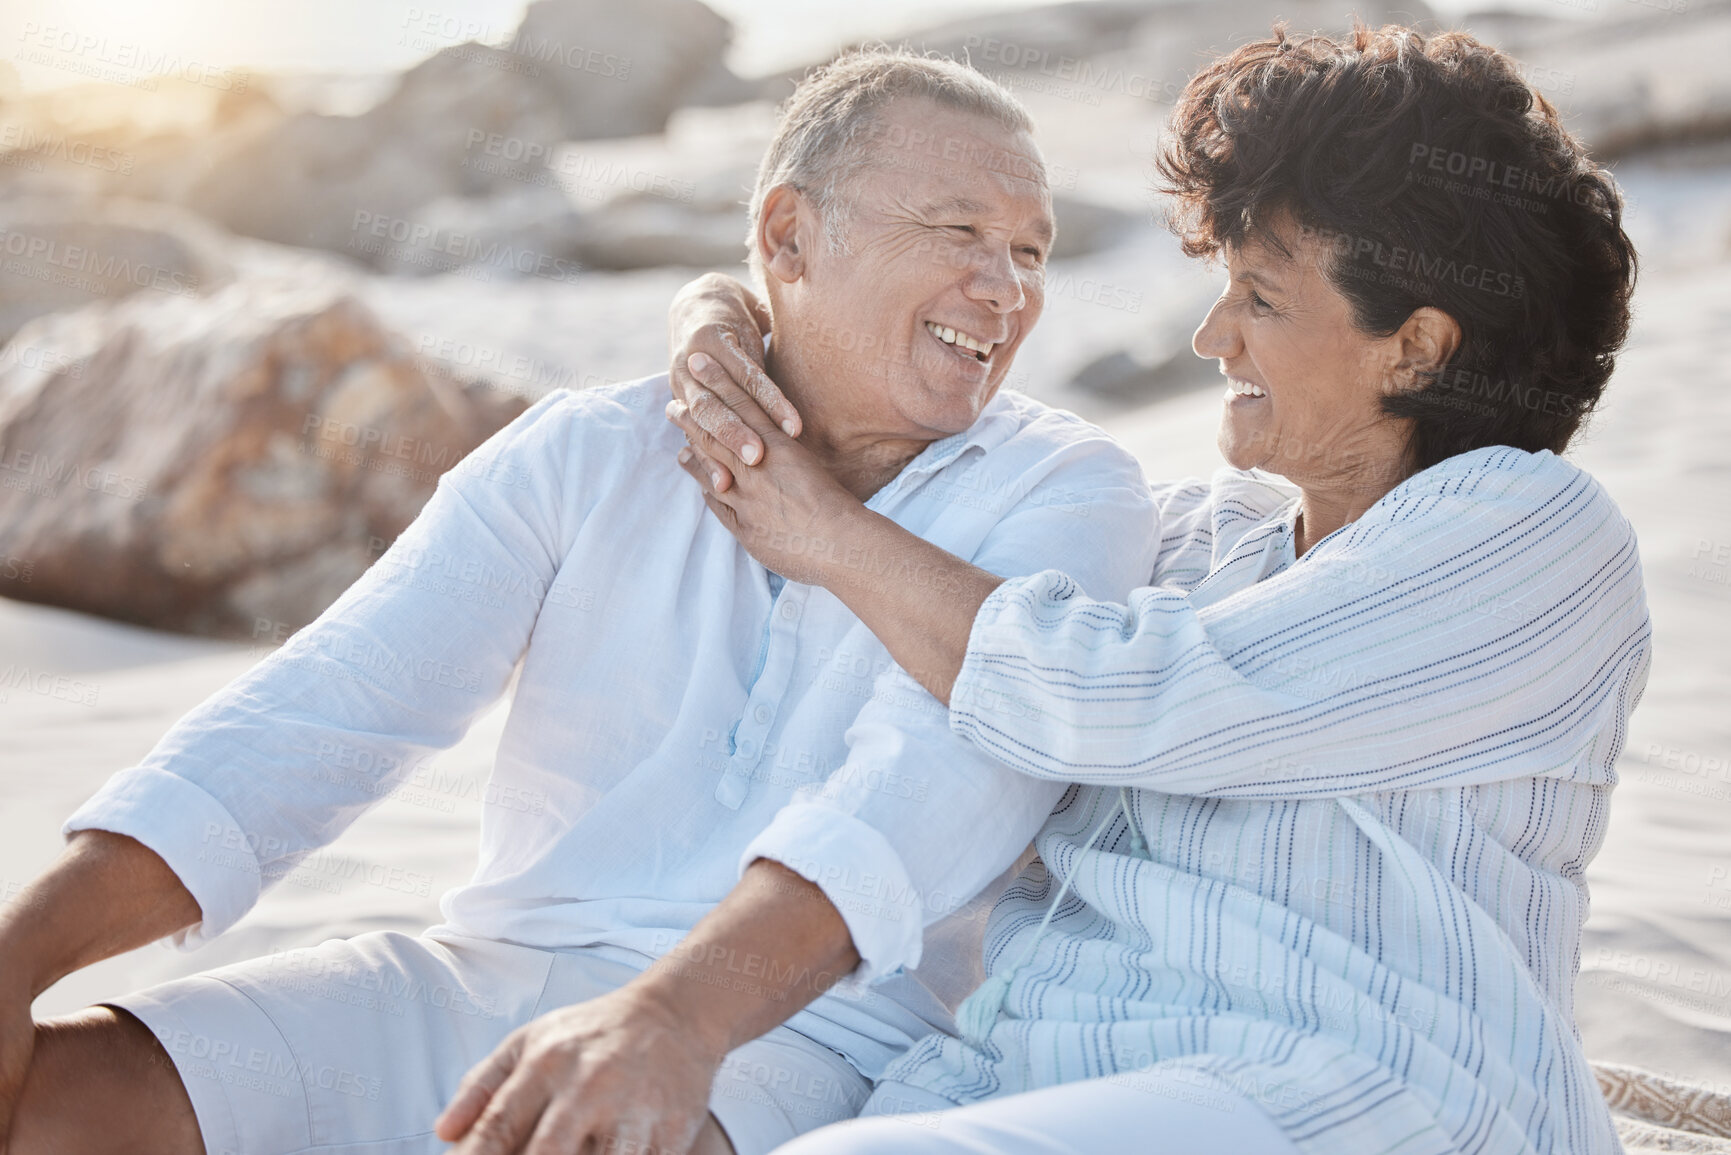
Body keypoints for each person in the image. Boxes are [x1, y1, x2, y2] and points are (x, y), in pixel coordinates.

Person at [0, 51, 1163, 1155]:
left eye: (1032, 251)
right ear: (789, 236)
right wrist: (18, 956)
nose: (1005, 287)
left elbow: (918, 798)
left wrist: (673, 1022)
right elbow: (327, 709)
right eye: (960, 231)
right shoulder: (591, 449)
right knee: (40, 1107)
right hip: (490, 972)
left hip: (801, 1037)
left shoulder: (1071, 494)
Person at [665, 24, 1648, 1155]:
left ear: (1417, 350)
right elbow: (951, 525)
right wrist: (720, 313)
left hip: (1357, 1096)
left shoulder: (1527, 534)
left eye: (1262, 300)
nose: (1209, 335)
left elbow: (1121, 695)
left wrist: (823, 534)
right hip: (1028, 1077)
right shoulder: (1195, 537)